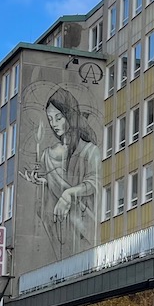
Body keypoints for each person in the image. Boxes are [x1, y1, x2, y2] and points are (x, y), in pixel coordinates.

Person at [23, 88, 100, 258]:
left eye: (58, 118)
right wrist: (42, 182)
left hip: (82, 227)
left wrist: (69, 193)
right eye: (50, 119)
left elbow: (95, 182)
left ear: (70, 115)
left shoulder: (90, 151)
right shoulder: (47, 154)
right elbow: (47, 198)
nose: (54, 124)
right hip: (59, 230)